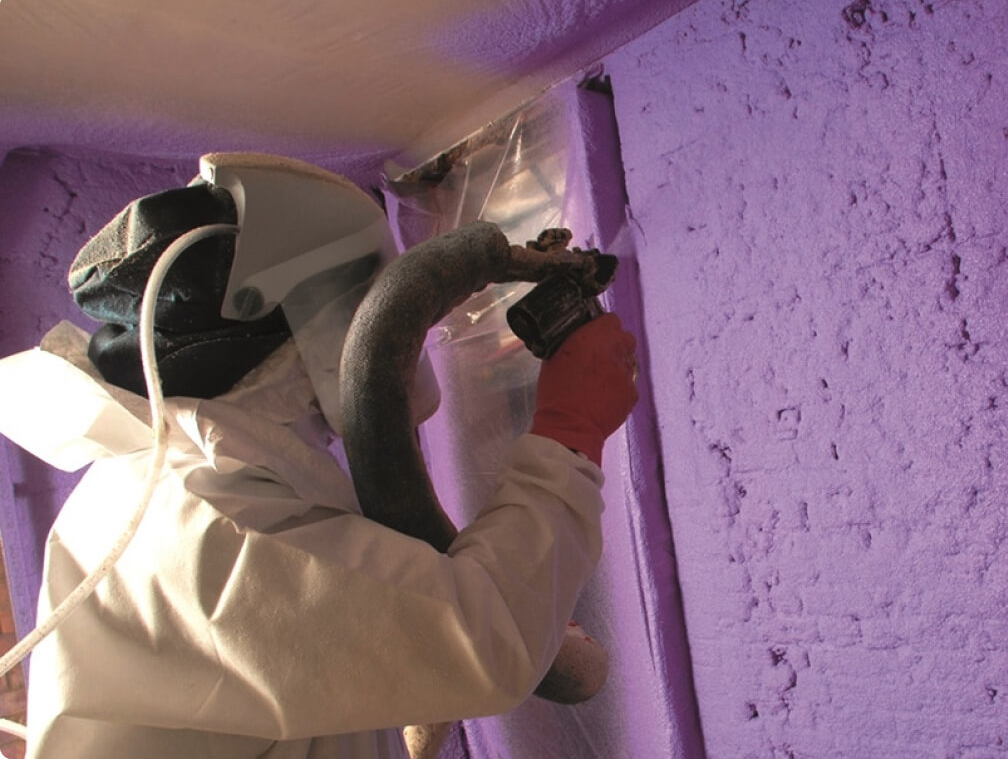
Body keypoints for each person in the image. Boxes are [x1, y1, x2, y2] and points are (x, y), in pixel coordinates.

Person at [0, 153, 638, 757]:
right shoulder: (218, 523)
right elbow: (487, 636)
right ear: (338, 324)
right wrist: (571, 423)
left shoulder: (164, 487)